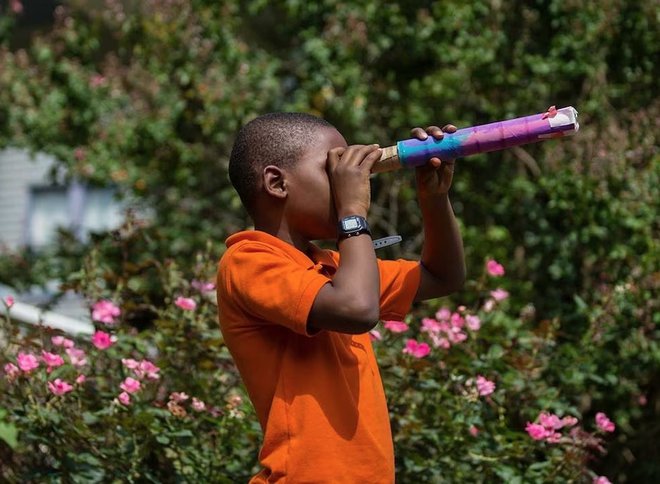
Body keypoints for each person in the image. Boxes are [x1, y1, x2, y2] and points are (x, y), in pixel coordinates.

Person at [217, 112, 465, 483]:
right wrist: (353, 211)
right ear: (276, 183)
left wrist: (434, 198)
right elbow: (356, 308)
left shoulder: (334, 269)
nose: (352, 181)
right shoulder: (248, 261)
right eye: (334, 169)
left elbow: (443, 276)